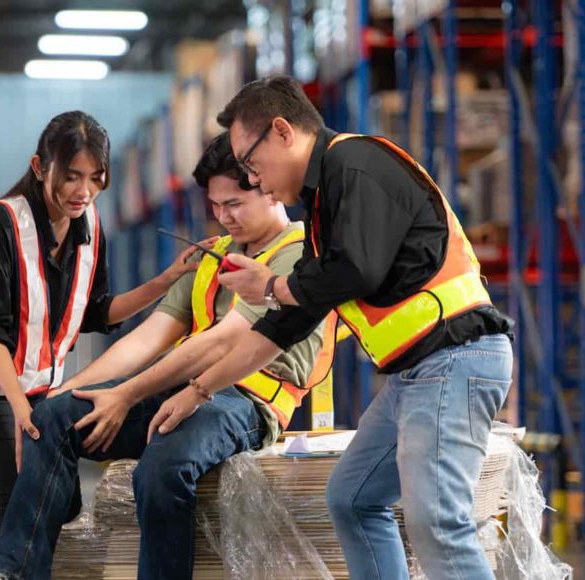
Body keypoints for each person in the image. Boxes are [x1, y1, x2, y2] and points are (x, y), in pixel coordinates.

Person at [173, 76, 514, 580]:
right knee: (353, 499)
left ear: (283, 132)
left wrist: (273, 285)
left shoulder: (354, 165)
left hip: (454, 358)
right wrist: (200, 389)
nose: (256, 180)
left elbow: (357, 269)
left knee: (438, 522)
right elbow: (290, 320)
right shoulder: (322, 209)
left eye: (251, 164)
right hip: (415, 374)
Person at [0, 133, 337, 580]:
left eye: (235, 204)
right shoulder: (215, 258)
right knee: (52, 420)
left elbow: (223, 341)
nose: (223, 217)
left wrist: (128, 396)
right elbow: (147, 339)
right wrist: (65, 392)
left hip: (248, 398)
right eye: (215, 205)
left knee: (161, 470)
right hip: (176, 388)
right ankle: (14, 574)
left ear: (266, 189)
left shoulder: (300, 253)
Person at [0, 111, 201, 579]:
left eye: (95, 178)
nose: (83, 190)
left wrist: (167, 279)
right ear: (40, 167)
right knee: (20, 497)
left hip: (38, 382)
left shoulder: (90, 225)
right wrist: (21, 410)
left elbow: (97, 311)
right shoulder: (0, 223)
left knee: (61, 498)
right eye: (71, 176)